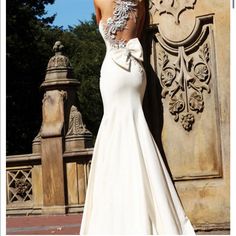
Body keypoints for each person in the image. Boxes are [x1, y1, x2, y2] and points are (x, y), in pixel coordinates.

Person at [80, 0, 196, 234]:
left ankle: (117, 207)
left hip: (112, 71)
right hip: (135, 72)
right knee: (136, 127)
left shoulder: (98, 1)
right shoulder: (140, 2)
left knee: (113, 131)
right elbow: (140, 31)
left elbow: (99, 26)